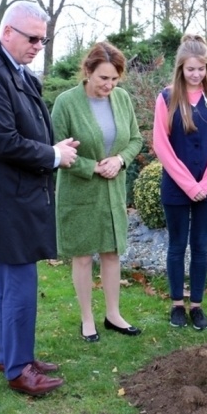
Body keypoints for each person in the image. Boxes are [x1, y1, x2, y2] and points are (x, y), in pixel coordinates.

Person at [0, 1, 79, 396]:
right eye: (32, 38)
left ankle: (10, 354)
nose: (37, 47)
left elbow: (27, 129)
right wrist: (53, 156)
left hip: (18, 195)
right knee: (20, 282)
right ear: (7, 32)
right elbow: (3, 141)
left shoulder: (18, 72)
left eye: (43, 40)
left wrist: (52, 147)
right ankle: (18, 369)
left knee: (11, 282)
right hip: (3, 199)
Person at [52, 42, 144, 343]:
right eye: (104, 77)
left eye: (115, 78)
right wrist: (91, 166)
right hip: (79, 191)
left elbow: (135, 140)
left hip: (112, 190)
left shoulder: (122, 99)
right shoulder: (66, 103)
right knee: (82, 256)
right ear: (88, 71)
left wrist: (120, 160)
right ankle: (87, 318)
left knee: (111, 252)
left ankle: (113, 314)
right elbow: (56, 151)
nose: (110, 85)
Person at [152, 35, 207, 330]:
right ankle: (176, 305)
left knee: (200, 246)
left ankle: (196, 305)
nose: (196, 74)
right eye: (190, 69)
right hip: (176, 186)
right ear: (180, 69)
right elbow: (161, 144)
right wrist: (189, 184)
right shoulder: (166, 98)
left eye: (201, 69)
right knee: (176, 245)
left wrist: (206, 183)